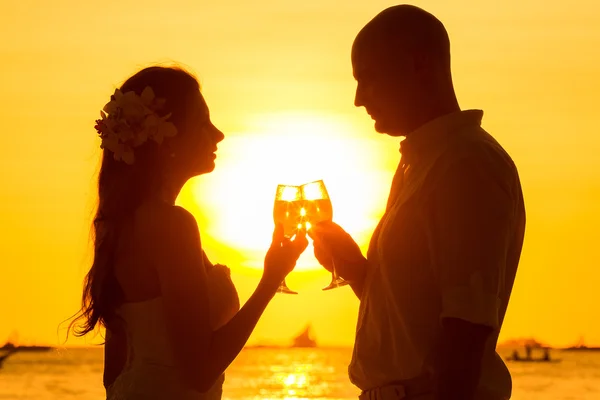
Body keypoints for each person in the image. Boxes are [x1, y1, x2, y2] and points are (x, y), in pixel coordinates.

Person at [310, 5, 525, 400]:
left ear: (420, 65)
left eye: (368, 78)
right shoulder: (419, 164)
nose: (358, 99)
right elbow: (416, 319)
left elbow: (465, 330)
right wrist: (358, 271)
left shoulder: (466, 164)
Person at [69, 66, 308, 399]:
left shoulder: (121, 224)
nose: (218, 134)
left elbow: (113, 376)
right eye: (203, 122)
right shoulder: (172, 225)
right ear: (167, 138)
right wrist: (271, 280)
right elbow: (199, 371)